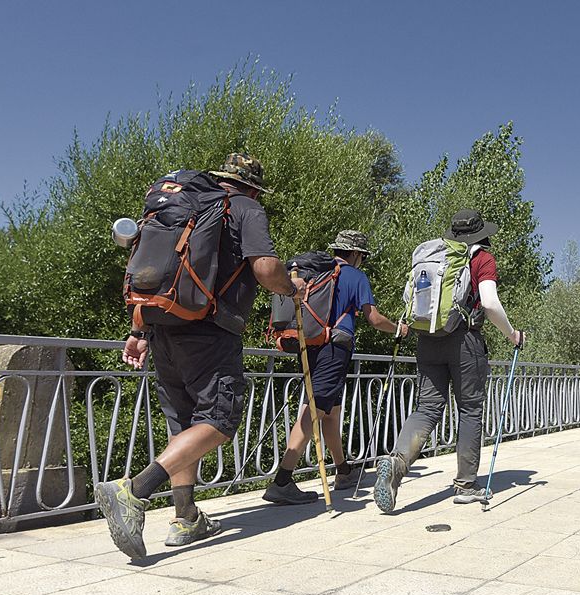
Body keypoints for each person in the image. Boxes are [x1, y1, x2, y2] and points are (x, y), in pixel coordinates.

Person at [95, 153, 305, 559]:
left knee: (184, 423)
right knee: (219, 420)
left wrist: (138, 331)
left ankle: (186, 516)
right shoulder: (245, 208)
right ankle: (133, 491)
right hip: (210, 330)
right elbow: (264, 268)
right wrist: (290, 288)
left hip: (161, 325)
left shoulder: (177, 206)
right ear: (251, 186)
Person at [372, 209, 525, 514]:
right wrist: (512, 335)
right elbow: (491, 303)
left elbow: (409, 297)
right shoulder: (482, 258)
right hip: (464, 341)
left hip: (428, 338)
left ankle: (397, 462)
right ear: (481, 235)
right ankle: (467, 486)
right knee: (469, 409)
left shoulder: (433, 256)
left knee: (427, 407)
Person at [262, 230, 407, 505]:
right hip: (334, 350)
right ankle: (282, 481)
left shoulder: (317, 273)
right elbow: (373, 318)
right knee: (312, 411)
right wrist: (398, 329)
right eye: (361, 256)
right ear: (355, 254)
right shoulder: (354, 276)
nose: (361, 260)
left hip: (313, 344)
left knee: (330, 413)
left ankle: (343, 471)